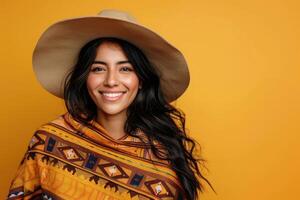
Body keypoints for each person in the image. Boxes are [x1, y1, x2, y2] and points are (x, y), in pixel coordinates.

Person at [7, 10, 214, 200]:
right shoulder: (48, 143)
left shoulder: (163, 165)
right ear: (85, 77)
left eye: (125, 69)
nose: (111, 81)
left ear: (141, 80)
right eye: (98, 69)